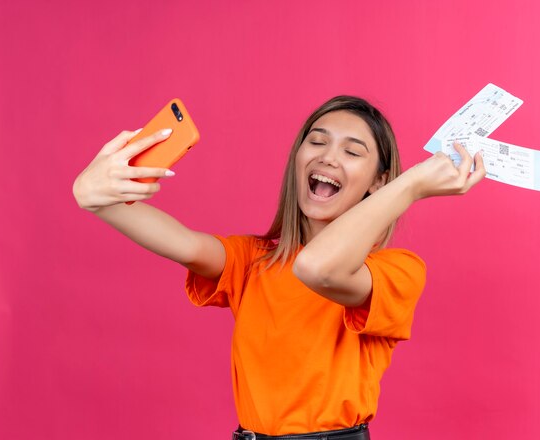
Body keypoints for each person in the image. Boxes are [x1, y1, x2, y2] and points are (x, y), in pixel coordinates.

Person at [73, 96, 485, 439]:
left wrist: (410, 185)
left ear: (379, 183)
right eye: (317, 141)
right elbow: (178, 241)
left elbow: (318, 269)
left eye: (352, 151)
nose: (328, 156)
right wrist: (93, 196)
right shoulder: (253, 261)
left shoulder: (397, 270)